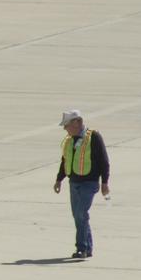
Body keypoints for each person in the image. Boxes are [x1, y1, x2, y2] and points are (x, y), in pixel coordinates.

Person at [53, 109, 110, 259]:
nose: (65, 129)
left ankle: (81, 248)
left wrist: (105, 183)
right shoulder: (69, 140)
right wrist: (59, 179)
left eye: (67, 125)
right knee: (79, 216)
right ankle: (88, 248)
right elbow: (65, 160)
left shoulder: (94, 137)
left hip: (89, 183)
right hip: (74, 183)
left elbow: (104, 161)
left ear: (77, 122)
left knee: (81, 214)